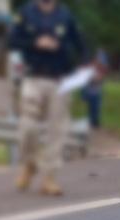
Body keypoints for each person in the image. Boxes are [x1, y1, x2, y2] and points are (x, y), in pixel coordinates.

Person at [10, 0, 87, 197]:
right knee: (27, 127)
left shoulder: (65, 16)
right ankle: (30, 163)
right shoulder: (26, 13)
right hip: (33, 76)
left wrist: (76, 61)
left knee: (56, 131)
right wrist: (35, 42)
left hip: (59, 80)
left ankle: (49, 177)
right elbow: (11, 40)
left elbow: (80, 44)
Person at [79, 48, 108, 131]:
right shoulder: (87, 67)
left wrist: (97, 79)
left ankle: (94, 122)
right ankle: (92, 122)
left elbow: (100, 78)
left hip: (96, 91)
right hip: (89, 90)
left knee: (95, 106)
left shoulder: (101, 68)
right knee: (91, 105)